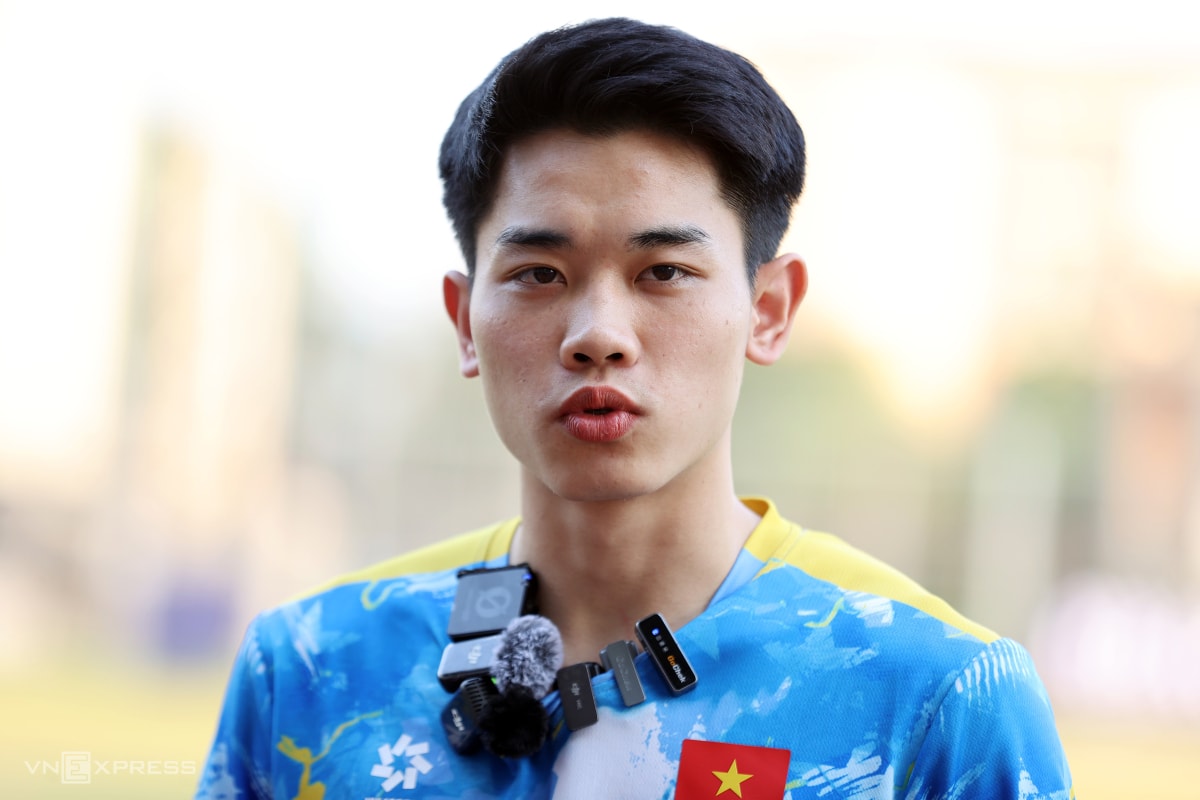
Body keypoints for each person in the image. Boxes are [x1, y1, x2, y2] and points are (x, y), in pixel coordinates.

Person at [197, 17, 1074, 800]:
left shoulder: (935, 697)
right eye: (539, 274)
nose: (598, 335)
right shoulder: (311, 670)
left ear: (768, 310)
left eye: (665, 272)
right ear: (465, 322)